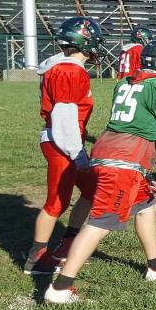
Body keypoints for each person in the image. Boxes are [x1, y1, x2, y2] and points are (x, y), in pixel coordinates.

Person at [44, 40, 156, 304]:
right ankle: (60, 288)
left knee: (145, 206)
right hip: (125, 161)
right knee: (101, 222)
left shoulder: (125, 81)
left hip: (106, 149)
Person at [25, 17, 103, 275]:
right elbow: (64, 116)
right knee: (56, 202)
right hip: (63, 141)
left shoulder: (63, 65)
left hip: (66, 139)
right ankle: (36, 259)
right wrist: (77, 153)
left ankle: (68, 244)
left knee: (92, 190)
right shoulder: (70, 70)